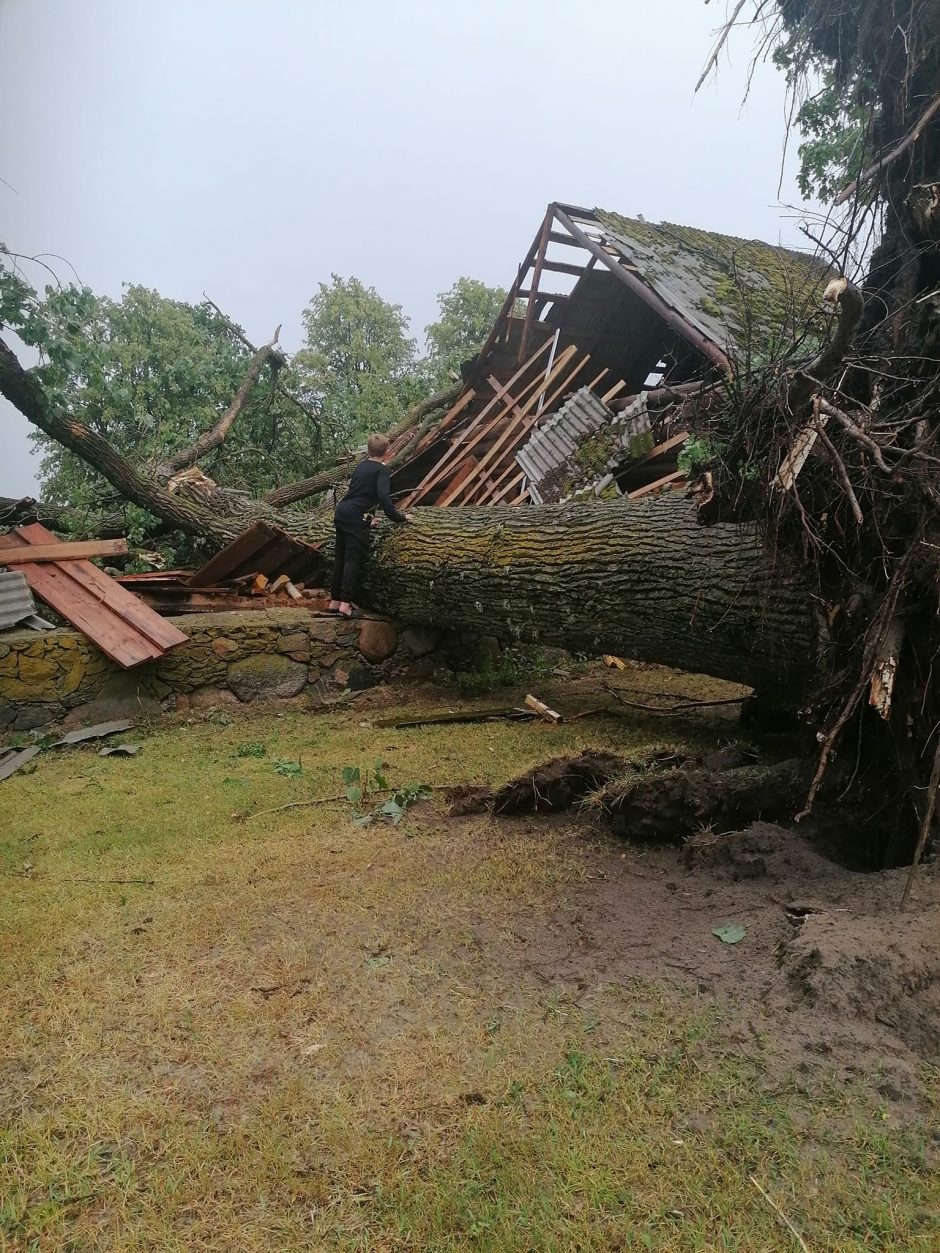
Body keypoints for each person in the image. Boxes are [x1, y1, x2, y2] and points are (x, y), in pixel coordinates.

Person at [329, 433, 413, 617]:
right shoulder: (381, 470)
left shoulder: (361, 466)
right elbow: (382, 497)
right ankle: (345, 604)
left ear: (368, 450)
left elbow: (361, 494)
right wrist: (399, 517)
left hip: (343, 511)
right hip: (353, 516)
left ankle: (334, 601)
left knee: (340, 558)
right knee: (352, 560)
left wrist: (367, 520)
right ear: (387, 451)